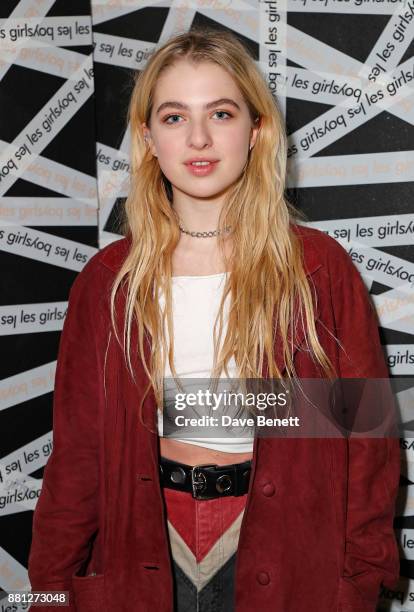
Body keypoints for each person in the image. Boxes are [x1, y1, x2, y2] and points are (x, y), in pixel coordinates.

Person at [28, 28, 400, 611]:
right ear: (148, 137)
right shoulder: (108, 281)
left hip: (282, 546)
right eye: (174, 117)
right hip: (147, 546)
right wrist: (48, 594)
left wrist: (359, 583)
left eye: (220, 113)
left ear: (256, 130)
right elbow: (77, 456)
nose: (198, 138)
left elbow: (367, 448)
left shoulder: (318, 268)